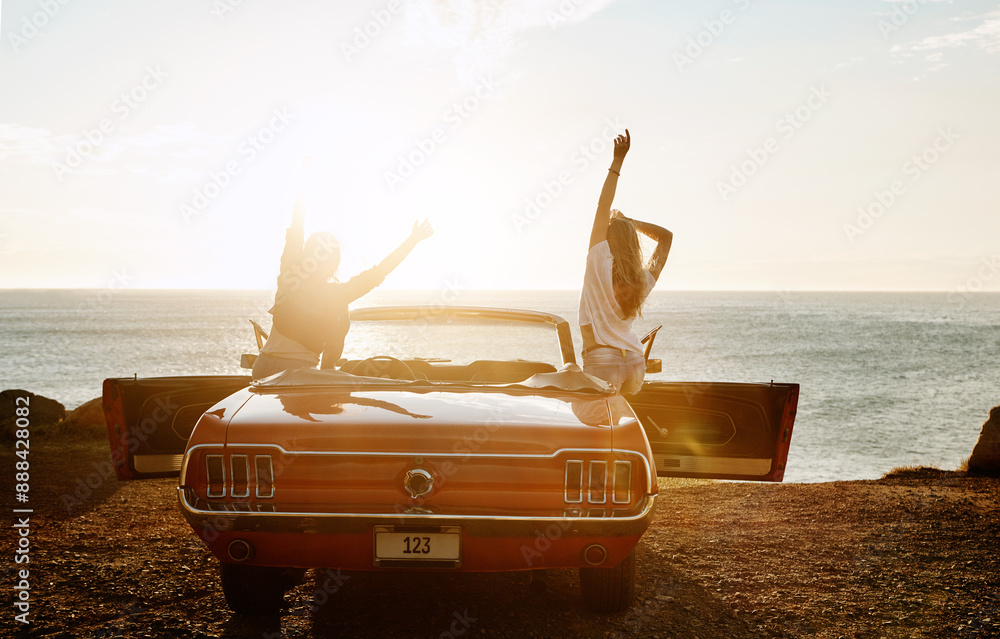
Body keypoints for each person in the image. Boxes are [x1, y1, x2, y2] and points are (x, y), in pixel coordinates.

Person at [251, 189, 433, 380]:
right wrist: (413, 240)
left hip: (262, 367)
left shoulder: (289, 274)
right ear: (334, 263)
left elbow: (296, 228)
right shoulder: (336, 297)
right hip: (297, 373)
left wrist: (304, 181)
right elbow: (380, 271)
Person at [578, 129, 672, 396]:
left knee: (595, 425)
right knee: (622, 422)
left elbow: (602, 204)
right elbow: (666, 238)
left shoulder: (598, 259)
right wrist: (630, 222)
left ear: (607, 238)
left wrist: (617, 160)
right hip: (633, 359)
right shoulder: (641, 280)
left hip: (601, 360)